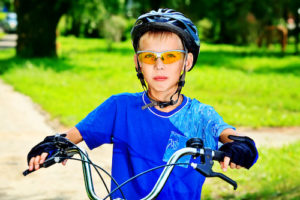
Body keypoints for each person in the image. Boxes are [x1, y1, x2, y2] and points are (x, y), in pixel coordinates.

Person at [27, 8, 258, 200]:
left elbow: (232, 138)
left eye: (170, 57)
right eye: (149, 57)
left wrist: (239, 148)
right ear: (138, 63)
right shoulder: (119, 108)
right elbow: (73, 136)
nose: (159, 65)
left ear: (187, 61)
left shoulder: (200, 115)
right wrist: (53, 146)